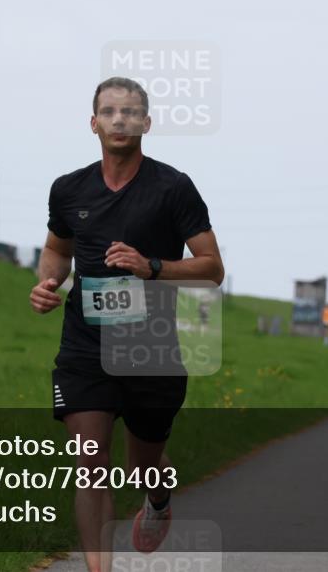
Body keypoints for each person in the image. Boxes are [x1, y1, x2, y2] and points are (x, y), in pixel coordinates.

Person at [29, 77, 224, 572]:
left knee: (142, 468)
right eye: (110, 112)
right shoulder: (69, 189)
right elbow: (57, 249)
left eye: (131, 112)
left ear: (147, 123)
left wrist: (151, 267)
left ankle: (156, 499)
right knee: (91, 465)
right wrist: (50, 283)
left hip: (151, 349)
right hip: (85, 347)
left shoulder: (172, 188)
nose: (120, 120)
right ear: (93, 123)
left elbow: (211, 268)